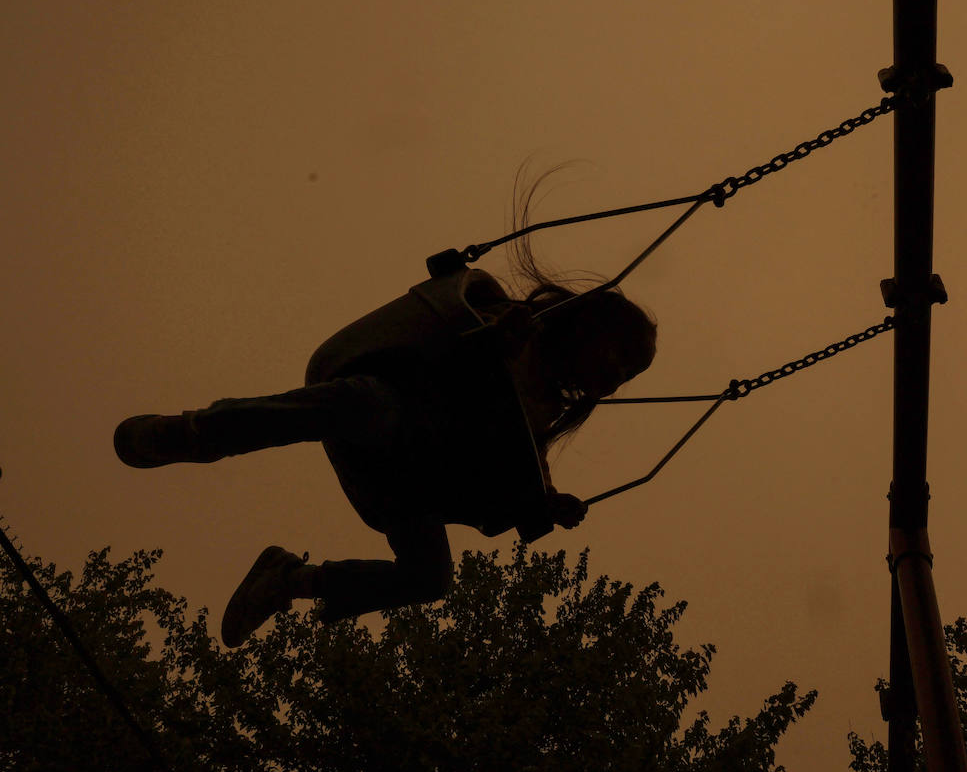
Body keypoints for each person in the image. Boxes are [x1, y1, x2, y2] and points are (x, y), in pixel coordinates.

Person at [113, 187, 657, 647]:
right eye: (618, 360)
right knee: (364, 405)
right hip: (385, 403)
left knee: (432, 577)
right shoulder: (515, 326)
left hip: (410, 477)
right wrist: (493, 339)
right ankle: (196, 434)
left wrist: (546, 499)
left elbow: (521, 459)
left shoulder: (542, 411)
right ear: (590, 329)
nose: (612, 381)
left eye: (624, 378)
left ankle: (290, 579)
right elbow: (451, 339)